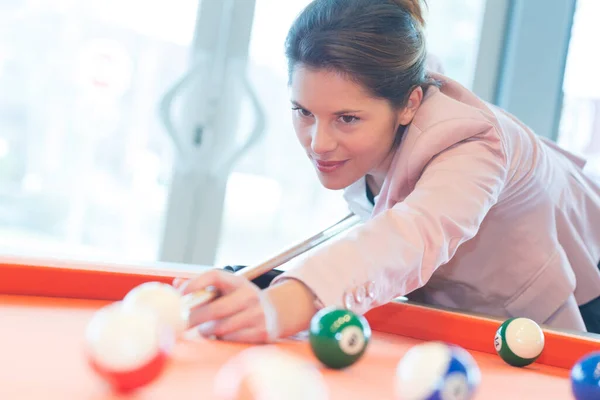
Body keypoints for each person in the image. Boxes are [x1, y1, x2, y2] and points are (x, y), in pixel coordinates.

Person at [174, 0, 600, 342]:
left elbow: (410, 235)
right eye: (303, 112)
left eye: (347, 119)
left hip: (581, 298)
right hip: (474, 305)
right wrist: (276, 286)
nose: (317, 143)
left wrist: (283, 304)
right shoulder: (388, 78)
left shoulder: (473, 143)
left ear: (411, 104)